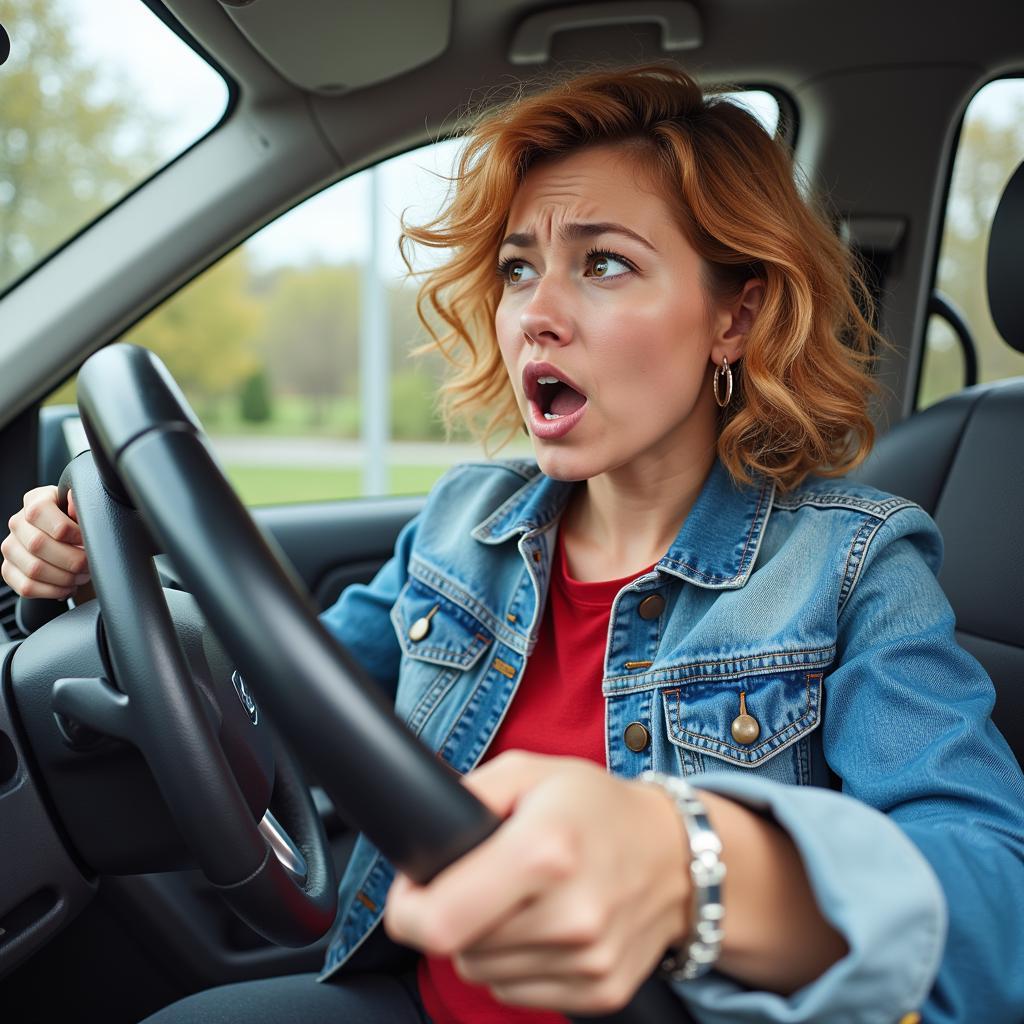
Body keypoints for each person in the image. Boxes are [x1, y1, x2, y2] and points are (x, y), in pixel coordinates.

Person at [3, 65, 1024, 1024]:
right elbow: (273, 711)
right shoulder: (464, 524)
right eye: (516, 268)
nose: (535, 312)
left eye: (605, 263)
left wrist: (688, 864)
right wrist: (117, 583)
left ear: (734, 314)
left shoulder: (851, 565)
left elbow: (994, 907)